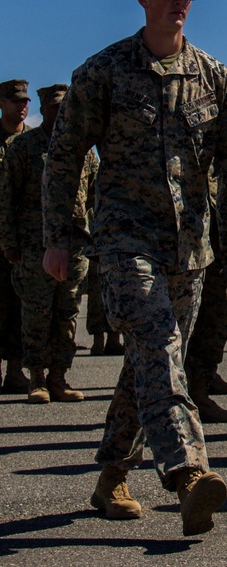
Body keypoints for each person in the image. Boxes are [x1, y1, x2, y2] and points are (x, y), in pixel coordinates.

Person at [42, 0, 227, 535]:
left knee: (150, 360)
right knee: (162, 349)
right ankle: (189, 474)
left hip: (190, 248)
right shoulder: (104, 71)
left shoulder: (215, 78)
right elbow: (63, 159)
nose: (178, 1)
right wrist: (59, 237)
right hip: (124, 239)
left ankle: (111, 473)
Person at [0, 84, 96, 404]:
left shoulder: (84, 147)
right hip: (34, 244)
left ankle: (59, 376)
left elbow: (96, 193)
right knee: (36, 312)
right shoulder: (24, 147)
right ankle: (36, 378)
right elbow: (7, 199)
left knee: (67, 312)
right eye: (54, 107)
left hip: (75, 244)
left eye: (64, 106)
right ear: (45, 108)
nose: (60, 112)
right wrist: (9, 242)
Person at [0, 79, 30, 394]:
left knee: (21, 306)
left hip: (24, 241)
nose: (21, 107)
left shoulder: (31, 143)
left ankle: (15, 370)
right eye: (14, 101)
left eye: (24, 101)